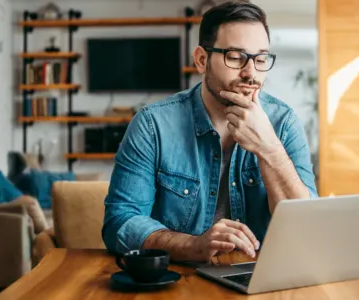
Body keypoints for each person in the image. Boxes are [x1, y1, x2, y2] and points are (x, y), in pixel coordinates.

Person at [101, 1, 317, 262]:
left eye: (260, 59)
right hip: (180, 280)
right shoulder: (152, 125)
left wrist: (268, 147)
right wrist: (192, 245)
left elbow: (306, 227)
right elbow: (119, 223)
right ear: (202, 60)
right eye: (236, 57)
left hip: (264, 278)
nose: (251, 73)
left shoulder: (284, 123)